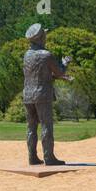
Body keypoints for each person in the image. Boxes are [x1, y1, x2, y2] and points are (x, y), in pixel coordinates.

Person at [21, 23, 72, 166]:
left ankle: (32, 157)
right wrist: (64, 62)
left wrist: (54, 77)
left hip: (28, 95)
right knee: (46, 126)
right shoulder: (46, 55)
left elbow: (37, 76)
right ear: (41, 37)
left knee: (31, 127)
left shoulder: (27, 55)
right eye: (45, 35)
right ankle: (49, 157)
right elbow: (60, 71)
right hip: (42, 95)